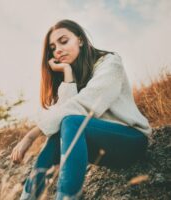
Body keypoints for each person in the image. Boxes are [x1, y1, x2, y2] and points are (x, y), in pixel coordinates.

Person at [10, 19, 151, 200]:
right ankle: (28, 197)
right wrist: (67, 71)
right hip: (102, 146)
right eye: (52, 47)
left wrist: (31, 135)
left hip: (131, 141)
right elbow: (65, 113)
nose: (58, 50)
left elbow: (84, 106)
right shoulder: (76, 74)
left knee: (71, 121)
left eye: (64, 41)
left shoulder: (110, 63)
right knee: (59, 131)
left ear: (80, 40)